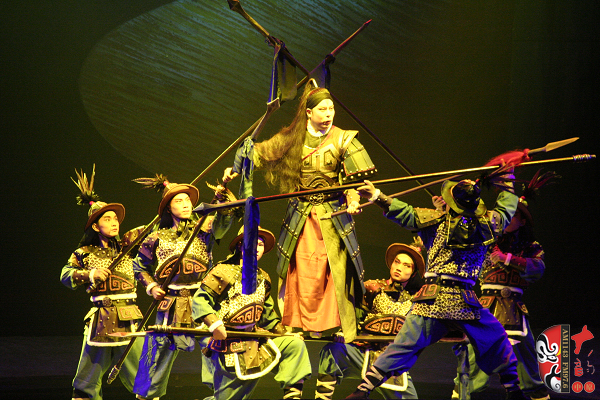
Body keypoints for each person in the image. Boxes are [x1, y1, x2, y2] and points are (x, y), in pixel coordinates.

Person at [344, 173, 531, 400]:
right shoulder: (488, 225)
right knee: (496, 339)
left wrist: (376, 195)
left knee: (403, 345)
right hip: (465, 302)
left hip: (433, 300)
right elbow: (506, 210)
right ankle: (514, 390)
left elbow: (406, 214)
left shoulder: (438, 221)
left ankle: (363, 389)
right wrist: (508, 181)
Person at [222, 81, 376, 341]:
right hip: (301, 216)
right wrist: (236, 167)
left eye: (331, 109)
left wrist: (353, 200)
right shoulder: (292, 139)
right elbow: (255, 154)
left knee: (332, 270)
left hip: (332, 217)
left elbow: (356, 182)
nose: (328, 114)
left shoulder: (343, 139)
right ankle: (295, 323)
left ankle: (332, 323)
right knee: (301, 271)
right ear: (309, 112)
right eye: (323, 110)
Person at [451, 190, 550, 400]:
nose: (509, 218)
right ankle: (463, 392)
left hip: (513, 307)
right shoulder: (486, 240)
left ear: (523, 221)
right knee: (475, 350)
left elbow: (538, 268)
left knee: (525, 355)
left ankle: (534, 393)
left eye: (514, 214)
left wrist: (507, 259)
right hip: (486, 305)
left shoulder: (531, 247)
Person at [192, 226, 312, 400]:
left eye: (261, 244)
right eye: (252, 242)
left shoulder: (263, 278)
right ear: (240, 245)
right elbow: (200, 300)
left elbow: (267, 316)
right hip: (229, 343)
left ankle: (292, 396)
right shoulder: (223, 271)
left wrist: (285, 333)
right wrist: (215, 324)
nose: (257, 248)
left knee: (293, 345)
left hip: (254, 340)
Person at [61, 167, 144, 400]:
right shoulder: (84, 253)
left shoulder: (128, 245)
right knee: (84, 385)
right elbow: (66, 275)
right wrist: (90, 274)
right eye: (107, 219)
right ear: (96, 227)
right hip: (100, 320)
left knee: (145, 380)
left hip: (129, 318)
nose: (114, 222)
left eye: (115, 218)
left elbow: (155, 228)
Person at [131, 177, 212, 400]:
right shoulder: (156, 237)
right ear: (168, 207)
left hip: (200, 300)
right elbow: (138, 266)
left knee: (214, 345)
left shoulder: (203, 232)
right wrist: (152, 287)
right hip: (171, 303)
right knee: (157, 350)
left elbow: (223, 221)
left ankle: (221, 393)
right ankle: (147, 396)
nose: (186, 204)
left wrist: (222, 191)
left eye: (188, 200)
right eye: (179, 201)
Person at [316, 242, 425, 400]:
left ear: (413, 272)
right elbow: (354, 318)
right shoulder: (373, 288)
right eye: (397, 262)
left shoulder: (416, 300)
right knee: (332, 351)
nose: (399, 267)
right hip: (362, 352)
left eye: (406, 265)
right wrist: (344, 332)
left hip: (391, 361)